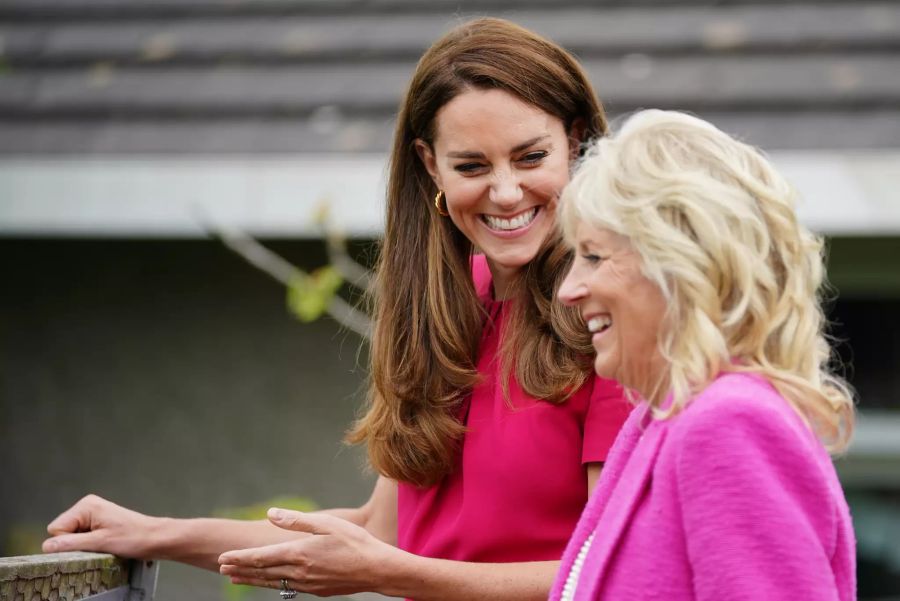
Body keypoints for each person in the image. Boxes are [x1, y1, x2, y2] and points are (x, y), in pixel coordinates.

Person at [42, 18, 632, 601]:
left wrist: (391, 574)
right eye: (472, 166)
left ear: (577, 143)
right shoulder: (446, 313)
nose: (504, 192)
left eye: (530, 157)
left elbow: (614, 569)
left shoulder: (612, 317)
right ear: (430, 165)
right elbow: (380, 532)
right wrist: (155, 533)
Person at [551, 109, 856, 601]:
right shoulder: (659, 418)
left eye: (593, 256)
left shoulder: (728, 421)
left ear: (676, 263)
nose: (569, 289)